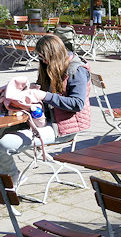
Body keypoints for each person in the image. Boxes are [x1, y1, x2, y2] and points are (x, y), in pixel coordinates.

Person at [0, 34, 91, 180]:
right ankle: (6, 177)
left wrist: (44, 95)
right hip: (43, 119)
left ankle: (13, 178)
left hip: (62, 128)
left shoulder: (76, 70)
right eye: (41, 57)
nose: (43, 61)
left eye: (44, 57)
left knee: (4, 144)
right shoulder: (51, 65)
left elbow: (77, 104)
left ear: (54, 54)